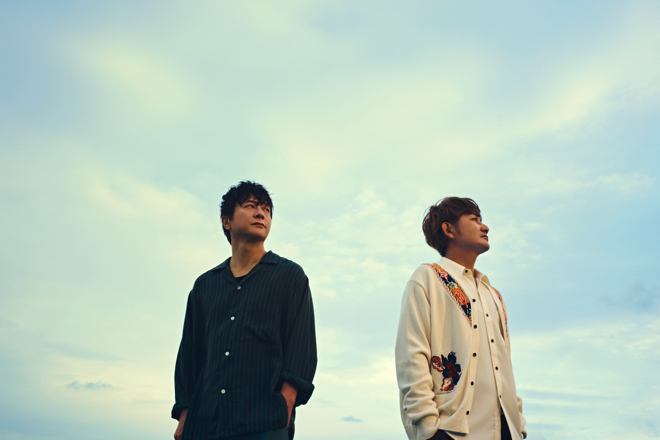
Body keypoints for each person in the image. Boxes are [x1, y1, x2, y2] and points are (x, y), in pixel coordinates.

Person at [172, 181, 317, 440]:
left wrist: (285, 402)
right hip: (205, 425)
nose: (261, 213)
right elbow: (189, 356)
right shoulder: (204, 286)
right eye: (250, 206)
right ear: (226, 221)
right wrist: (185, 413)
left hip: (263, 423)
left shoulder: (290, 277)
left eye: (267, 210)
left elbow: (301, 347)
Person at [395, 197, 527, 440]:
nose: (485, 227)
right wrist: (428, 427)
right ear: (449, 229)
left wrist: (518, 423)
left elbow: (504, 363)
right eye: (474, 219)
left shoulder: (493, 293)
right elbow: (411, 354)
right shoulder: (427, 278)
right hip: (452, 432)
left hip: (506, 430)